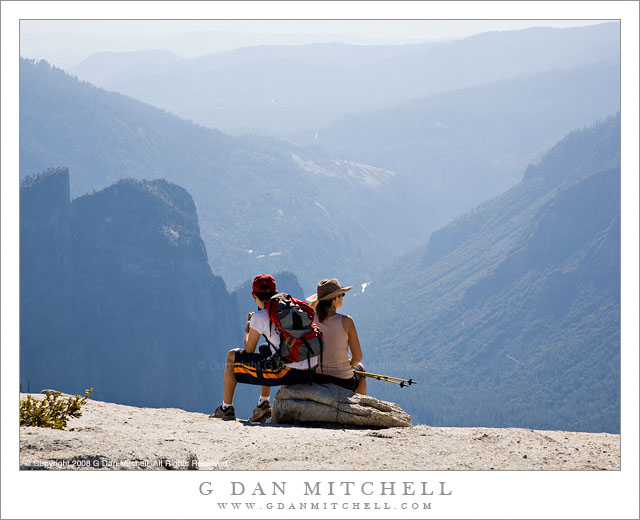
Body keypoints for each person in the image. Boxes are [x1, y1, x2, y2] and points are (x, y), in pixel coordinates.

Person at [210, 274, 319, 421]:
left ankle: (226, 408)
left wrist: (249, 327)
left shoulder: (260, 317)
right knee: (265, 349)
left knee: (232, 356)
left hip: (288, 373)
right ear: (275, 292)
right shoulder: (289, 308)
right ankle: (263, 403)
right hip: (310, 369)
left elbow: (248, 350)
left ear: (253, 295)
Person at [307, 278, 366, 395]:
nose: (343, 298)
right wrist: (348, 364)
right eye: (342, 295)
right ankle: (360, 407)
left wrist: (319, 300)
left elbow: (311, 308)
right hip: (343, 381)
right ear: (335, 299)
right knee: (361, 369)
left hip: (316, 377)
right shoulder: (346, 321)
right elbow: (358, 357)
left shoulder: (310, 319)